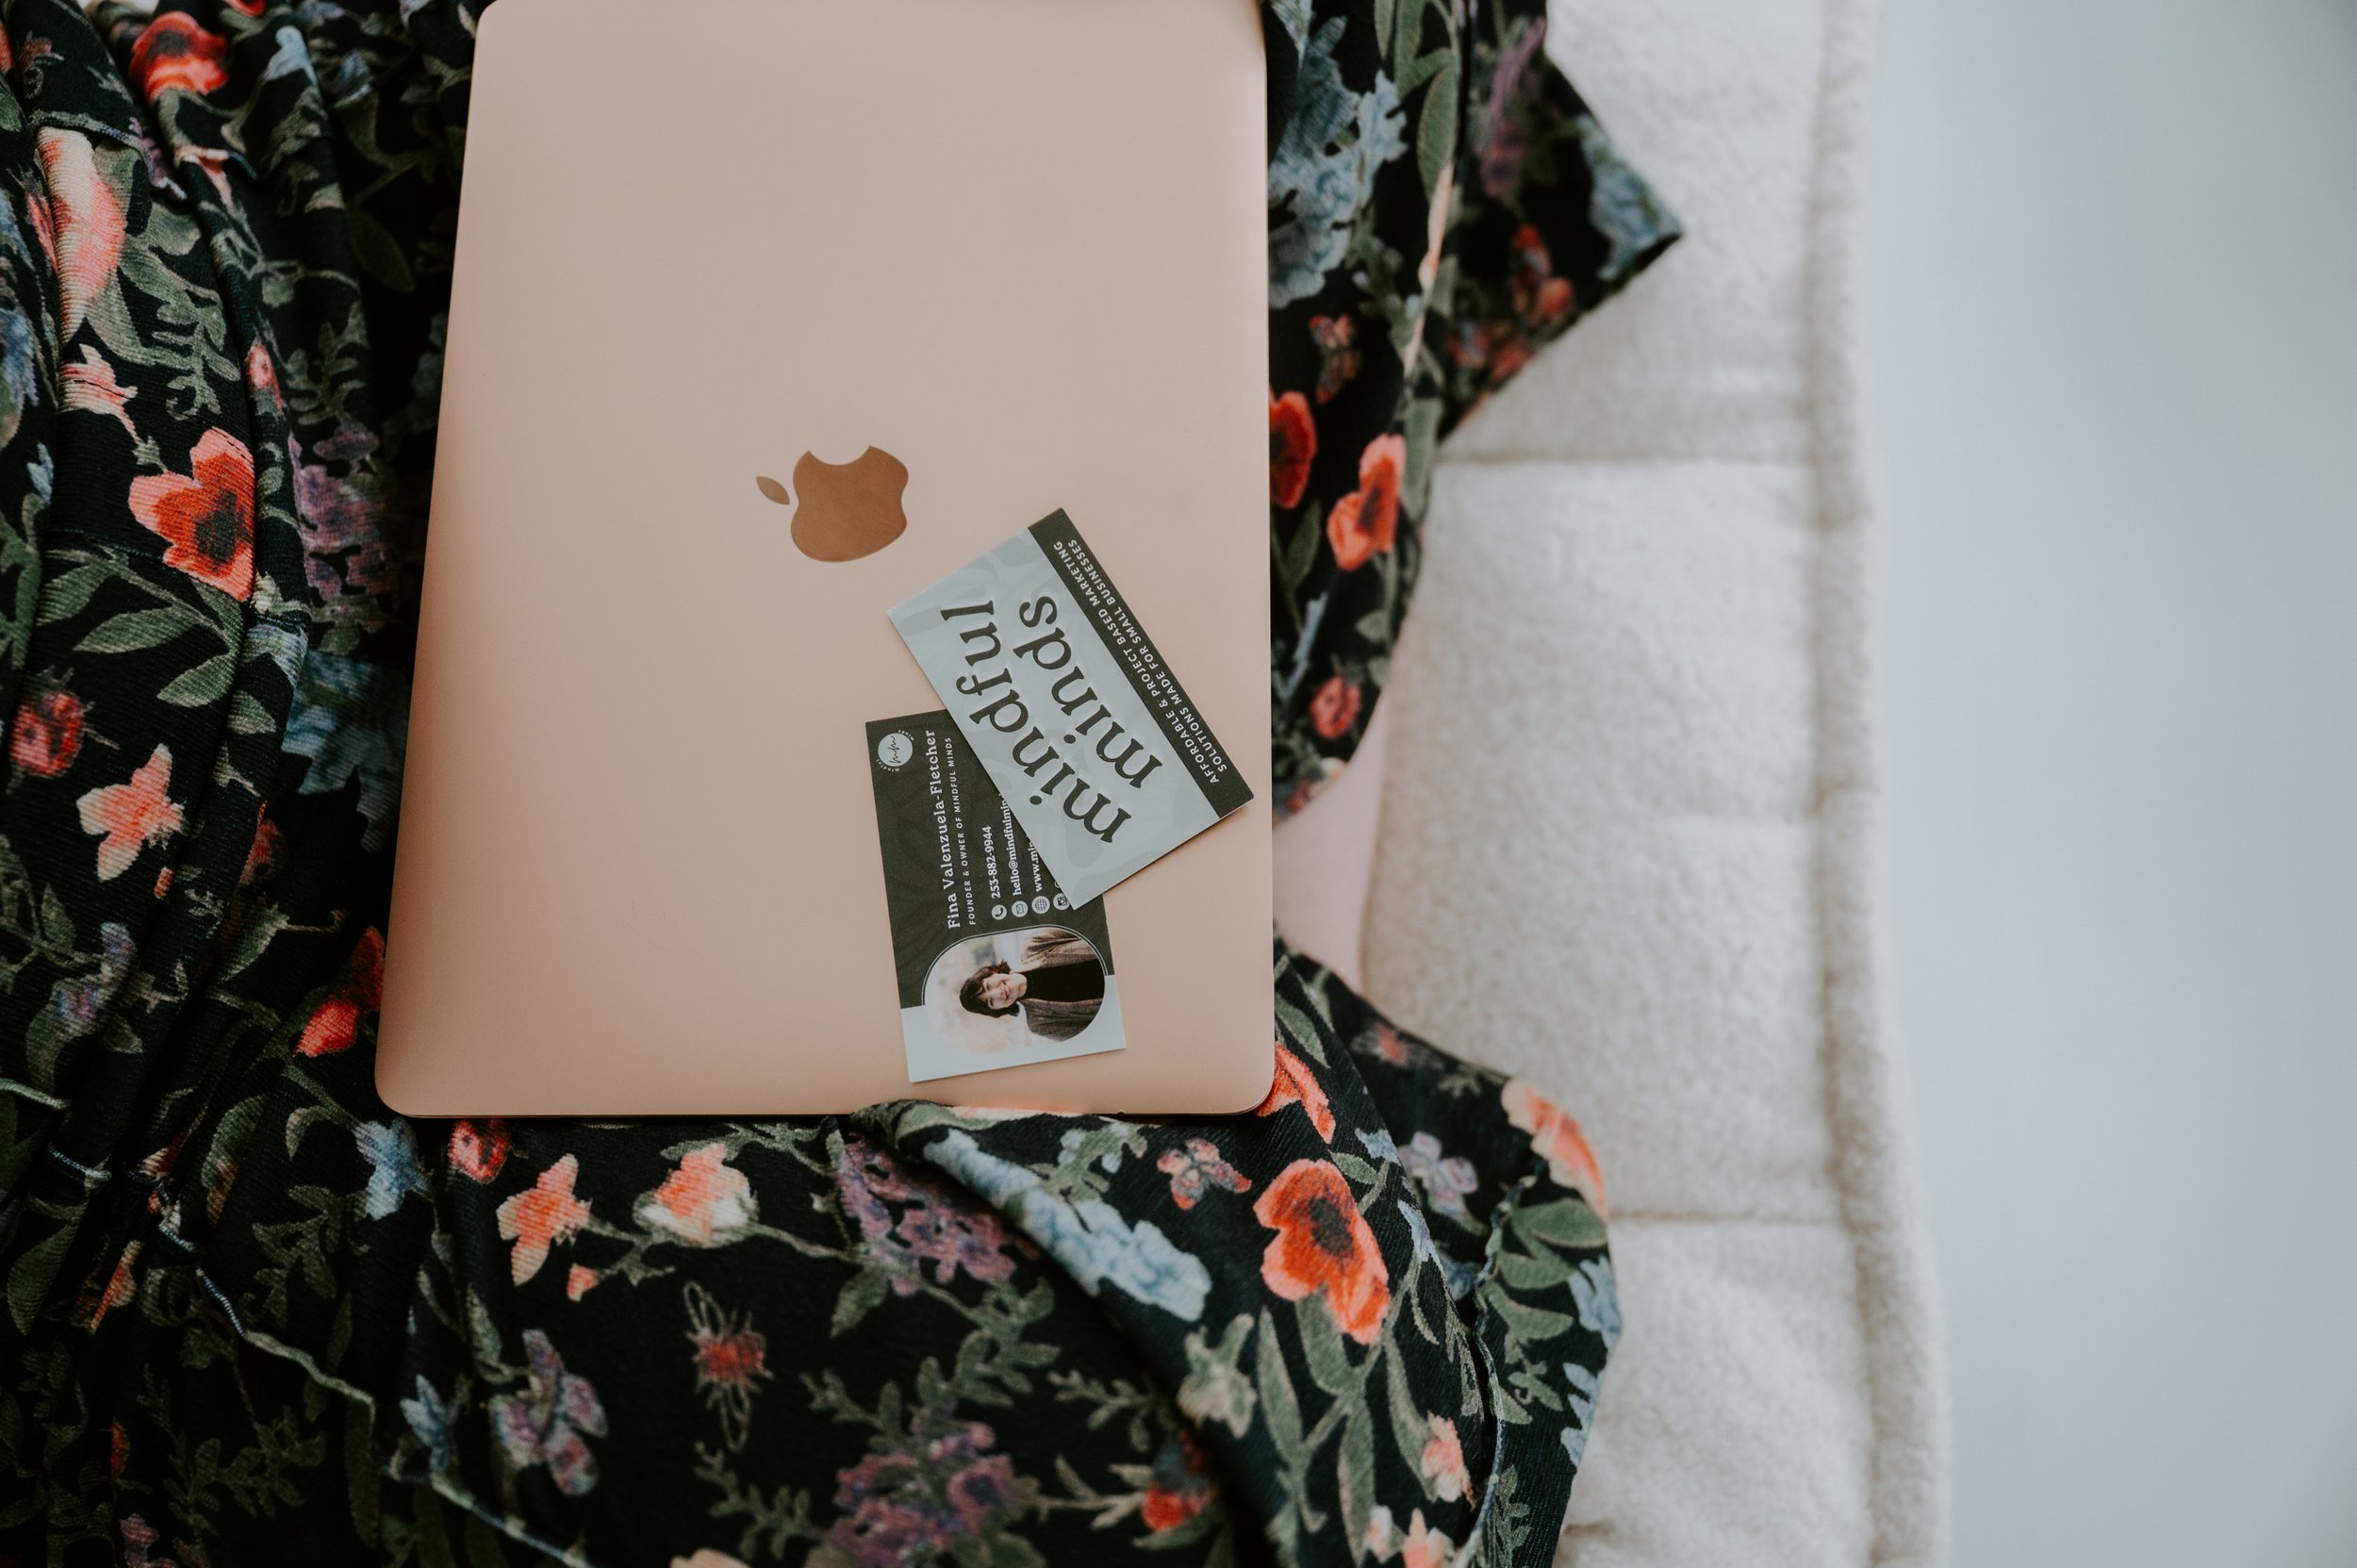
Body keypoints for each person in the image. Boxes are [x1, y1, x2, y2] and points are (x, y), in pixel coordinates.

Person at [0, 2, 1673, 1562]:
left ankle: (1210, 820)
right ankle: (1222, 828)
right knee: (1207, 1439)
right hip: (172, 1109)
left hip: (273, 199)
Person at [957, 929, 1105, 1039]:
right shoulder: (1040, 1024)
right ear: (999, 1010)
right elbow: (1094, 1035)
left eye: (988, 986)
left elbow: (1088, 929)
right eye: (991, 1002)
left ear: (993, 972)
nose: (998, 993)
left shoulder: (1034, 943)